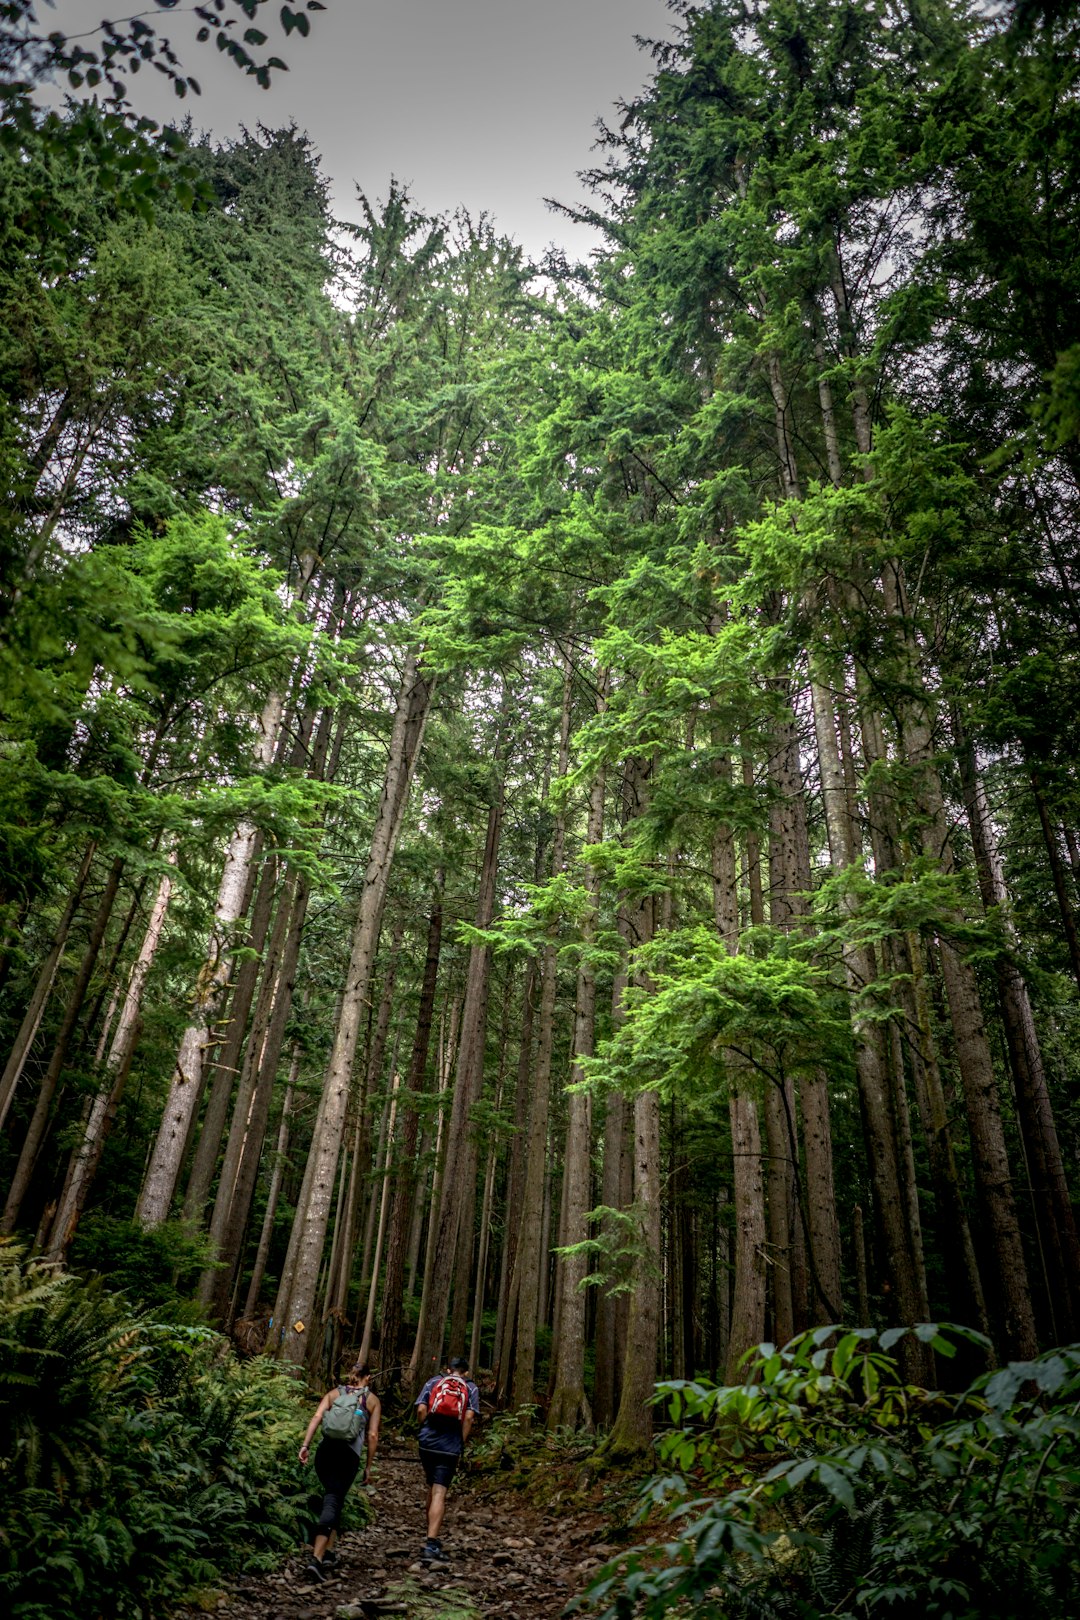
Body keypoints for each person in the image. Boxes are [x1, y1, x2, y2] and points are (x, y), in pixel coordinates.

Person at [298, 1362, 381, 1584]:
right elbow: (372, 1435)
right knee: (333, 1500)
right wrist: (368, 1465)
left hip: (324, 1452)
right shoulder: (371, 1400)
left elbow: (316, 1417)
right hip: (348, 1456)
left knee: (334, 1496)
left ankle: (329, 1552)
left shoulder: (334, 1393)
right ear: (368, 1378)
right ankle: (315, 1559)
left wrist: (305, 1446)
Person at [414, 1353, 480, 1564]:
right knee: (440, 1491)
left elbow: (421, 1409)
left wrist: (424, 1427)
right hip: (449, 1444)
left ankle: (429, 1533)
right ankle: (431, 1543)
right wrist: (460, 1440)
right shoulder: (471, 1388)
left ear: (449, 1369)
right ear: (466, 1372)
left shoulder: (434, 1381)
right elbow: (469, 1416)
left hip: (427, 1441)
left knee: (431, 1485)